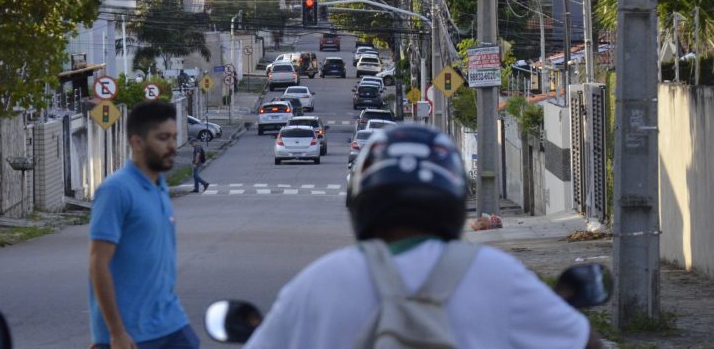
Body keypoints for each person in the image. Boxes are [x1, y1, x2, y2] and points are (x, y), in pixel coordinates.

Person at [244, 123, 603, 349]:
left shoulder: (319, 282)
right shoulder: (498, 275)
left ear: (360, 202)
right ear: (453, 197)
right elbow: (584, 341)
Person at [89, 100, 199, 349]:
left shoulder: (159, 186)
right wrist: (115, 333)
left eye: (173, 137)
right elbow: (98, 263)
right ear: (137, 142)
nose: (172, 146)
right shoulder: (116, 190)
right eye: (163, 138)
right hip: (132, 334)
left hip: (171, 323)